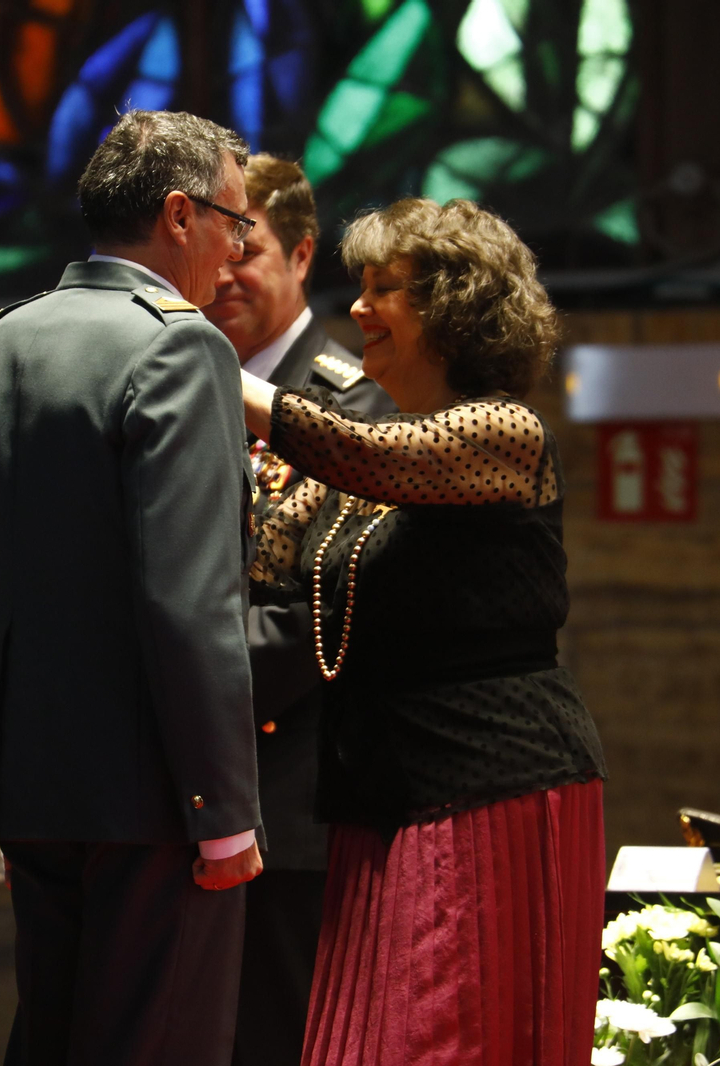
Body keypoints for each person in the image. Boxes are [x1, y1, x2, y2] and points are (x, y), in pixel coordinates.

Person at [0, 109, 264, 1066]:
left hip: (34, 793)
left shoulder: (0, 345)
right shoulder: (180, 347)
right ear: (179, 215)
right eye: (234, 223)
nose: (239, 251)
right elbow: (190, 601)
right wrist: (221, 811)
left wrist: (3, 776)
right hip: (158, 804)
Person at [241, 198, 607, 1066]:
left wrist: (203, 363)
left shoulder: (503, 431)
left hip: (485, 787)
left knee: (443, 1043)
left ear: (453, 308)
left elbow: (355, 454)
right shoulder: (375, 448)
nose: (357, 308)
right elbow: (269, 563)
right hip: (378, 795)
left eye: (382, 290)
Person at [201, 154, 394, 1066]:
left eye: (248, 253)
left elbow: (319, 616)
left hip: (293, 798)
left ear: (304, 255)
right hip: (190, 791)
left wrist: (165, 683)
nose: (224, 277)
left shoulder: (356, 405)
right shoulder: (179, 391)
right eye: (215, 255)